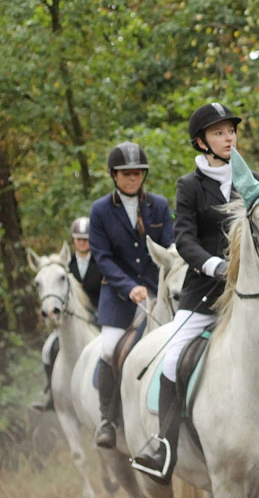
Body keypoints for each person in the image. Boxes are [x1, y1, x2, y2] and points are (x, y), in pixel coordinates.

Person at [132, 102, 241, 484]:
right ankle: (165, 445)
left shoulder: (253, 180)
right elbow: (185, 239)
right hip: (204, 293)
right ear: (201, 142)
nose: (228, 138)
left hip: (249, 294)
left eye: (231, 131)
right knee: (172, 358)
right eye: (218, 133)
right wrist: (215, 266)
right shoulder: (189, 186)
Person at [89, 141, 173, 448]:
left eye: (138, 173)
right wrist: (129, 287)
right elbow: (102, 257)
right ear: (114, 175)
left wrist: (160, 284)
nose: (132, 178)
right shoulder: (100, 210)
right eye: (126, 173)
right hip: (118, 296)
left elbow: (169, 247)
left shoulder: (159, 205)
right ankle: (107, 420)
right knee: (109, 348)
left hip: (157, 292)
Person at [32, 217, 103, 412]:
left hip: (98, 317)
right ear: (73, 240)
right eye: (79, 239)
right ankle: (50, 393)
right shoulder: (65, 265)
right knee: (48, 349)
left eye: (86, 239)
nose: (82, 243)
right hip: (69, 319)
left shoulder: (101, 262)